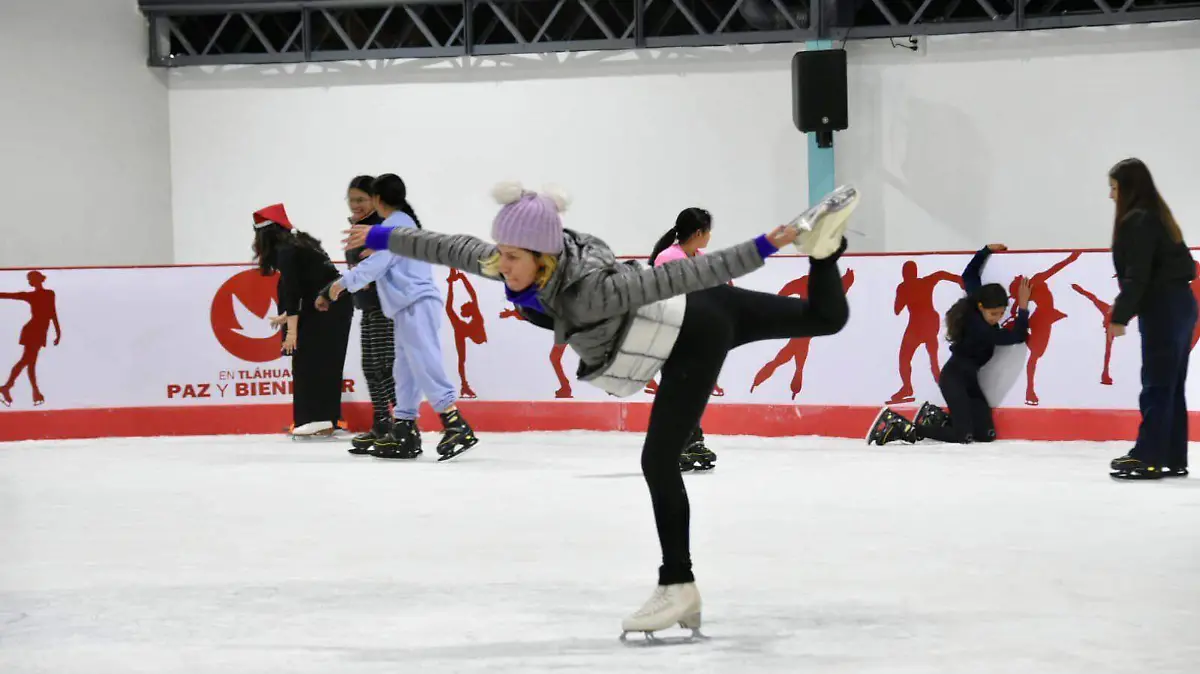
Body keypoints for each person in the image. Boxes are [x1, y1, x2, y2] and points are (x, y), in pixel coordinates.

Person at [342, 180, 857, 638]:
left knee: (658, 461)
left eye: (514, 258)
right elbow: (447, 246)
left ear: (544, 258)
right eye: (501, 255)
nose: (502, 266)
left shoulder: (594, 291)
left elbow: (694, 272)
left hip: (693, 332)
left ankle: (677, 584)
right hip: (707, 314)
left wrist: (770, 243)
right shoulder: (511, 261)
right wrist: (382, 237)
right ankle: (826, 251)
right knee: (825, 316)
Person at [320, 174, 478, 461]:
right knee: (405, 370)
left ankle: (455, 423)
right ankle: (404, 427)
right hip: (406, 305)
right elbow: (383, 260)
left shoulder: (396, 225)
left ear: (378, 200)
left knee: (424, 362)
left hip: (416, 302)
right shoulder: (402, 223)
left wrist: (339, 285)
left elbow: (376, 266)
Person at [867, 244, 1031, 446]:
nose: (996, 318)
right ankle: (898, 427)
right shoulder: (981, 328)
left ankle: (934, 418)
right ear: (981, 307)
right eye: (993, 314)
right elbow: (1016, 336)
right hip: (954, 380)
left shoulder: (975, 300)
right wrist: (1023, 308)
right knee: (964, 436)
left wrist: (986, 250)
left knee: (986, 434)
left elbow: (969, 275)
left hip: (970, 381)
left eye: (1000, 313)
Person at [1106, 158, 1197, 480]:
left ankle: (1149, 457)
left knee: (1157, 384)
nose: (1111, 196)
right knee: (1170, 385)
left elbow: (1138, 274)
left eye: (1114, 188)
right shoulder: (1159, 217)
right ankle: (1171, 456)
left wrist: (1120, 315)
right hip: (1180, 305)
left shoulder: (1139, 220)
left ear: (1128, 189)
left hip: (1162, 307)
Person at [252, 203, 354, 438]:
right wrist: (286, 316)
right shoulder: (299, 243)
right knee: (325, 360)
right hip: (333, 303)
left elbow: (293, 291)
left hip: (329, 305)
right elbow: (309, 285)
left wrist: (291, 333)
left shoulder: (286, 250)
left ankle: (316, 418)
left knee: (309, 360)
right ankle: (326, 418)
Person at [649, 207, 719, 472]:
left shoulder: (701, 257)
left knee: (693, 390)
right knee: (677, 391)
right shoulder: (668, 258)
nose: (710, 236)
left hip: (694, 332)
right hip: (672, 329)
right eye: (709, 231)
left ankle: (692, 439)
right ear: (699, 232)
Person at [342, 176, 397, 454]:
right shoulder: (358, 228)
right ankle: (381, 422)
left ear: (375, 200)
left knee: (386, 366)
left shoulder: (383, 229)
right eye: (352, 200)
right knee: (370, 366)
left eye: (361, 199)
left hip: (387, 308)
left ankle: (402, 424)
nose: (356, 205)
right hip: (367, 306)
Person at [0, 271, 60, 407]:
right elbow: (9, 296)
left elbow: (53, 313)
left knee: (30, 362)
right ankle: (10, 387)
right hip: (33, 331)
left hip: (38, 331)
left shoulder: (49, 294)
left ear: (37, 280)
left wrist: (58, 332)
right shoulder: (33, 295)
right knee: (27, 360)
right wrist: (57, 332)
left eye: (30, 279)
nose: (29, 282)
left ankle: (30, 392)